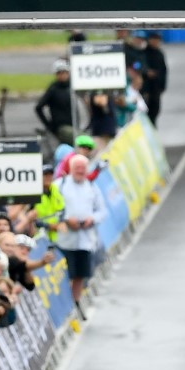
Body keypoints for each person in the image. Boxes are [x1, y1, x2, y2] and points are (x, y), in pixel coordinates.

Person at [55, 154, 109, 310]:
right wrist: (66, 219)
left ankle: (75, 302)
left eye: (83, 168)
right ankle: (64, 304)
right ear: (70, 169)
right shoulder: (60, 185)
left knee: (80, 274)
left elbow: (102, 211)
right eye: (77, 168)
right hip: (64, 239)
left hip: (85, 239)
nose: (80, 171)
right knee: (65, 274)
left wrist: (92, 219)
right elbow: (54, 209)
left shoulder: (92, 187)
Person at [35, 60, 75, 143]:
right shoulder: (53, 89)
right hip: (61, 127)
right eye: (59, 73)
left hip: (73, 124)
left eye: (65, 72)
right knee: (79, 140)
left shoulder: (71, 87)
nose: (63, 75)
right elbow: (38, 107)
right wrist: (50, 126)